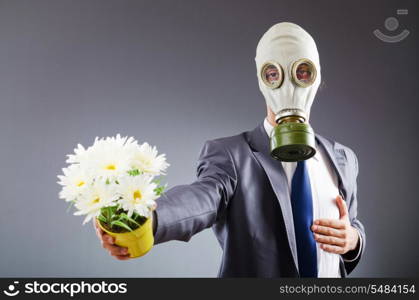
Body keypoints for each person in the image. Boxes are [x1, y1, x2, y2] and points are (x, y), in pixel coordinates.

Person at [94, 22, 365, 278]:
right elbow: (202, 198)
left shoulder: (342, 158)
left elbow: (351, 225)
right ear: (262, 80)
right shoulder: (232, 155)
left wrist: (353, 240)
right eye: (274, 74)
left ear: (316, 77)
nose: (288, 86)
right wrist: (148, 218)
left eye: (302, 72)